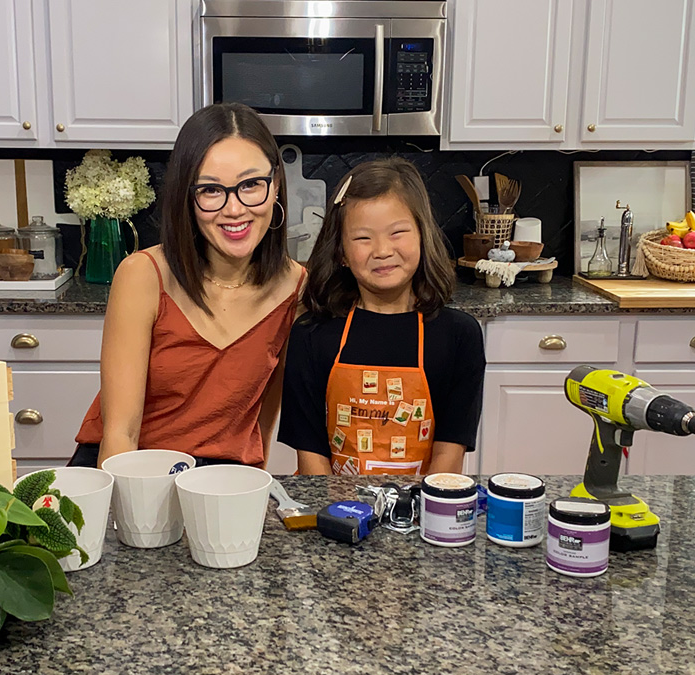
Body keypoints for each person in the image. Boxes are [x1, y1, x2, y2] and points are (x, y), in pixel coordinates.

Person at [70, 103, 306, 469]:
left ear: (275, 185)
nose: (234, 209)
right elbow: (120, 433)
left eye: (251, 184)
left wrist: (252, 488)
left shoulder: (297, 289)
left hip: (219, 478)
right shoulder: (142, 276)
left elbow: (261, 421)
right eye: (211, 190)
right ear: (188, 197)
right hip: (133, 467)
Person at [278, 158, 485, 478]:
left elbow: (449, 452)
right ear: (341, 253)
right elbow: (311, 459)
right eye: (363, 238)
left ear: (422, 235)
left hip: (423, 513)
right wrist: (337, 519)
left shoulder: (459, 336)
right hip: (336, 512)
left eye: (397, 232)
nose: (382, 250)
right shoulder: (310, 335)